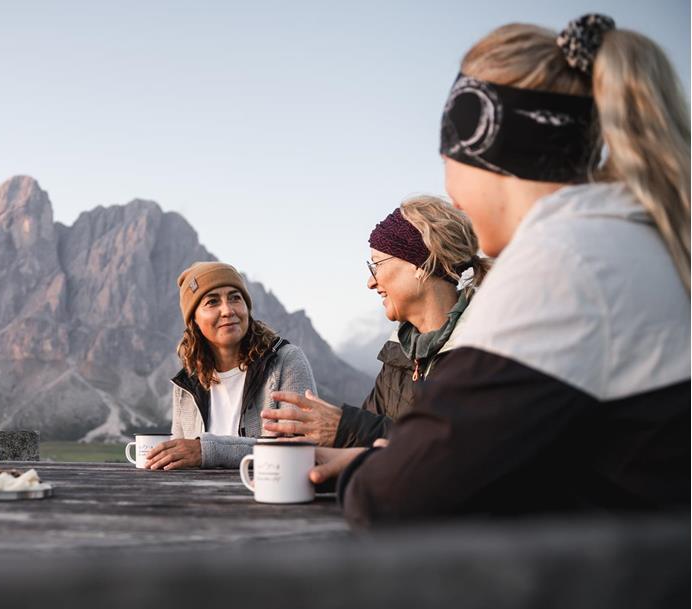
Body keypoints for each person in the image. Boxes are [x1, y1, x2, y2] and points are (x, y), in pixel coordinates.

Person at [288, 14, 690, 527]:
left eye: (448, 156)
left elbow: (397, 497)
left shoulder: (561, 264)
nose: (447, 183)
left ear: (486, 156)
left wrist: (368, 466)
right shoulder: (637, 238)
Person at [262, 195, 490, 448]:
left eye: (377, 264)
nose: (371, 282)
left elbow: (466, 448)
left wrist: (346, 427)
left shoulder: (487, 346)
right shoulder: (401, 350)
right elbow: (369, 449)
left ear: (421, 264)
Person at [144, 261, 317, 470]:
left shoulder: (285, 361)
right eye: (212, 302)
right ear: (194, 320)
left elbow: (298, 448)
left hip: (265, 496)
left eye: (235, 298)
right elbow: (179, 456)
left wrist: (206, 451)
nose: (227, 310)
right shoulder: (185, 384)